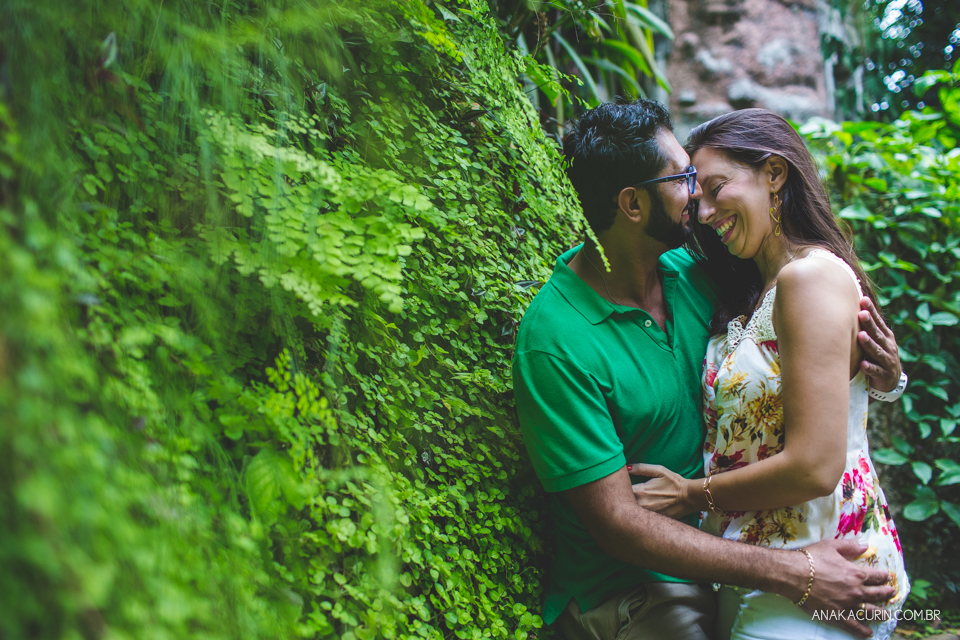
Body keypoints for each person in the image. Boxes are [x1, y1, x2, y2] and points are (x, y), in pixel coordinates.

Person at [512, 99, 906, 640]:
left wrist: (881, 376)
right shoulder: (557, 341)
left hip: (747, 553)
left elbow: (808, 339)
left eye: (705, 181)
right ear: (631, 204)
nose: (698, 202)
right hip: (637, 586)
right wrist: (794, 572)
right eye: (684, 179)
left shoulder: (697, 273)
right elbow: (620, 526)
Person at [627, 108, 909, 639]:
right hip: (764, 569)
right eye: (697, 194)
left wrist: (691, 494)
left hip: (824, 567)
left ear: (774, 174)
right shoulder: (751, 289)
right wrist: (890, 380)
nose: (704, 211)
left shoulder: (809, 277)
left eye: (716, 187)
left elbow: (814, 466)